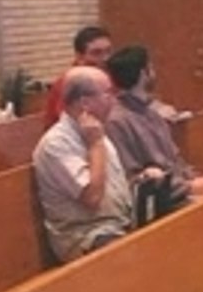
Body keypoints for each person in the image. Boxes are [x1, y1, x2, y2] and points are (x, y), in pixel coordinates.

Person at [32, 66, 133, 263]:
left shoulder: (93, 129)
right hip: (85, 236)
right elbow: (92, 198)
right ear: (85, 102)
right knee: (129, 258)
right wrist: (95, 145)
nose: (113, 100)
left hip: (117, 223)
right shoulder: (57, 143)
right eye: (108, 94)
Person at [104, 46, 203, 205]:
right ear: (144, 73)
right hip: (159, 200)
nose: (155, 72)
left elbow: (176, 160)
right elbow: (134, 179)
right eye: (151, 67)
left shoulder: (153, 113)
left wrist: (195, 178)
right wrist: (188, 187)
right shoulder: (116, 122)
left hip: (181, 189)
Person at [43, 26, 114, 129]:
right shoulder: (68, 83)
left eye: (108, 51)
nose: (106, 58)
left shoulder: (108, 77)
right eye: (96, 53)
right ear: (79, 57)